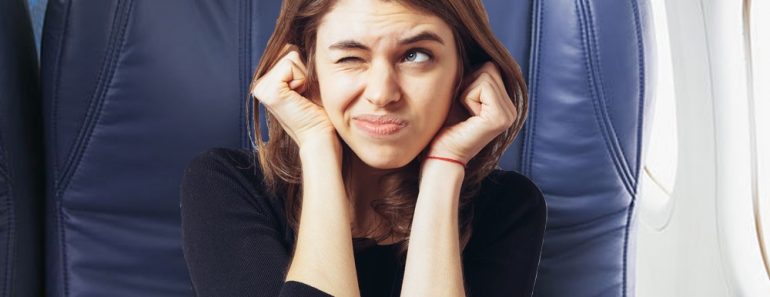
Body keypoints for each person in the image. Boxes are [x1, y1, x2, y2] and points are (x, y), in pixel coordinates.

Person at [180, 0, 546, 296]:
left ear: (463, 73)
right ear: (309, 70)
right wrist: (316, 146)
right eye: (350, 58)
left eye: (415, 55)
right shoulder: (226, 184)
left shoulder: (508, 207)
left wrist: (445, 168)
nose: (382, 94)